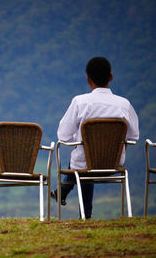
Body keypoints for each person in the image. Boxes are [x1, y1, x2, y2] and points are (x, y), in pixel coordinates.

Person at [51, 56, 139, 219]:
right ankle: (66, 194)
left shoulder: (80, 102)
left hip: (84, 163)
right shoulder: (124, 104)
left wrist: (80, 142)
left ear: (88, 80)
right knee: (83, 158)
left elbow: (63, 136)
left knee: (82, 159)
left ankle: (72, 200)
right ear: (111, 77)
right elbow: (133, 136)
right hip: (114, 162)